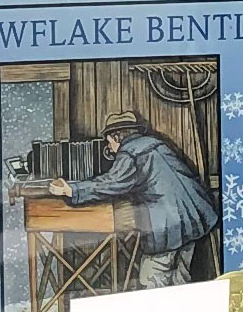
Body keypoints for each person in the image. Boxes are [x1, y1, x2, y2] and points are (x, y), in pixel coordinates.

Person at [49, 115, 218, 289]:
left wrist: (71, 189)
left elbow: (113, 183)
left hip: (168, 224)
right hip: (194, 216)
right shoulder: (155, 143)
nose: (110, 148)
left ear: (117, 136)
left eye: (110, 143)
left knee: (152, 276)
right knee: (181, 277)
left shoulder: (130, 152)